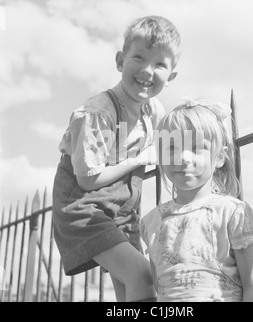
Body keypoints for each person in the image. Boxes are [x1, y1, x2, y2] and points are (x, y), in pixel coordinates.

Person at [52, 15, 180, 302]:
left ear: (171, 76)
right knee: (143, 276)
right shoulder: (99, 113)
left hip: (123, 210)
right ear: (121, 61)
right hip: (83, 206)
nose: (148, 70)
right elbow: (87, 180)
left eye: (160, 64)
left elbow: (172, 148)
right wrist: (139, 159)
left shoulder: (153, 111)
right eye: (139, 58)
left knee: (130, 288)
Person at [140, 97, 253, 302]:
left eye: (196, 147)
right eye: (172, 148)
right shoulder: (152, 221)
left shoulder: (231, 213)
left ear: (218, 158)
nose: (183, 157)